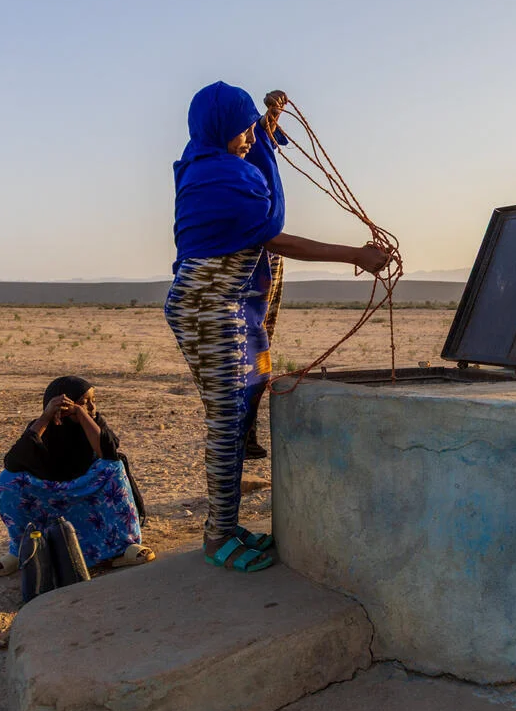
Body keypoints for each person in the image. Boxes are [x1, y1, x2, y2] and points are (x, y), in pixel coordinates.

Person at [165, 81, 390, 573]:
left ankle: (226, 524)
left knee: (245, 404)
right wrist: (355, 255)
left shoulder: (207, 162)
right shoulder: (218, 177)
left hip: (232, 309)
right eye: (243, 129)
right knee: (225, 423)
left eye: (252, 129)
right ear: (220, 129)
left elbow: (256, 185)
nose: (250, 137)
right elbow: (274, 228)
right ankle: (217, 536)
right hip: (211, 309)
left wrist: (264, 129)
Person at [0, 376, 153, 576]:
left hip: (88, 492)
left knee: (114, 467)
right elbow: (12, 462)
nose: (91, 406)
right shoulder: (42, 426)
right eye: (83, 402)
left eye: (93, 400)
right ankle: (21, 550)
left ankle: (123, 547)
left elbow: (108, 452)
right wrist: (46, 417)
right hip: (50, 494)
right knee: (8, 479)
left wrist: (82, 414)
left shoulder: (94, 422)